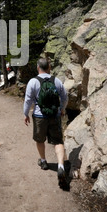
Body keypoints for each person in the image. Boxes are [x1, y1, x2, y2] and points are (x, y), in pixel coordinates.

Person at [24, 58, 69, 190]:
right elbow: (65, 96)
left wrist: (25, 114)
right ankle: (61, 166)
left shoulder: (33, 81)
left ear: (38, 67)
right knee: (58, 142)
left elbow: (28, 100)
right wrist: (62, 109)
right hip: (54, 115)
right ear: (49, 67)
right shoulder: (56, 80)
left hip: (39, 116)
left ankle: (43, 161)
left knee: (40, 139)